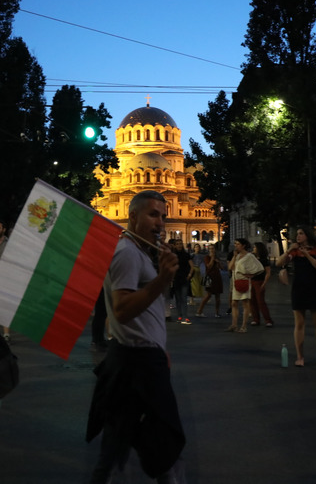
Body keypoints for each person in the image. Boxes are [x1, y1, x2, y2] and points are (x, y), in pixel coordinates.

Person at [86, 190, 186, 483]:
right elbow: (122, 309)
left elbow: (149, 305)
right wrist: (164, 279)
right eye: (153, 214)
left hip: (141, 357)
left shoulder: (139, 251)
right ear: (132, 216)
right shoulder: (127, 253)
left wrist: (157, 346)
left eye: (164, 216)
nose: (161, 223)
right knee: (163, 438)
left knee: (123, 440)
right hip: (135, 363)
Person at [276, 227, 316, 367]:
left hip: (314, 288)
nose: (298, 236)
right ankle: (300, 356)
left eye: (301, 233)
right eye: (297, 233)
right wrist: (289, 250)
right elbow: (279, 263)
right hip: (299, 289)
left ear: (308, 235)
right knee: (299, 324)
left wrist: (307, 255)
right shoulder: (294, 251)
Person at [227, 238, 263, 332]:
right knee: (234, 303)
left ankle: (243, 326)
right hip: (236, 282)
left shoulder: (249, 256)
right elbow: (230, 268)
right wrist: (234, 257)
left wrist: (251, 275)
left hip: (244, 282)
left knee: (245, 303)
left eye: (238, 244)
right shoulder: (237, 256)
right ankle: (234, 324)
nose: (236, 246)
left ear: (243, 245)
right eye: (235, 244)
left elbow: (259, 267)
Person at [194, 243, 223, 318]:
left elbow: (221, 267)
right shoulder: (207, 257)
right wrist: (212, 258)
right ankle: (199, 311)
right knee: (208, 295)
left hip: (217, 277)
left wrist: (218, 262)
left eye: (212, 248)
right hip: (209, 277)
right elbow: (209, 266)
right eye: (210, 249)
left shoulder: (217, 257)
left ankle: (217, 312)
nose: (211, 250)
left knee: (218, 296)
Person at [249, 242, 273, 327]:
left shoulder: (264, 260)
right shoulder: (252, 258)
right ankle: (256, 319)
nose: (253, 249)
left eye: (255, 247)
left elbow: (268, 272)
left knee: (260, 301)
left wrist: (264, 282)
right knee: (252, 301)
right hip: (251, 281)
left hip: (259, 281)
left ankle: (268, 320)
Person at [170, 239, 193, 324]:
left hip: (184, 279)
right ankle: (179, 315)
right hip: (176, 279)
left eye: (180, 244)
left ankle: (185, 316)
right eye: (177, 244)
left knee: (183, 298)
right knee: (178, 299)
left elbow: (192, 266)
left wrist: (190, 274)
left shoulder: (186, 255)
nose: (179, 245)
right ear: (175, 246)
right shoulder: (173, 255)